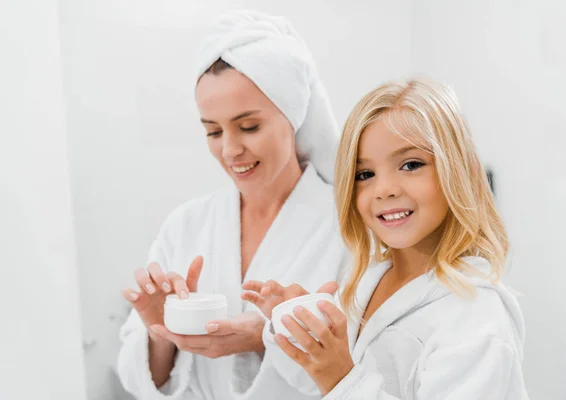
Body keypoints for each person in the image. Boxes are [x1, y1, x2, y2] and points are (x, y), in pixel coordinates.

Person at [245, 79, 530, 399]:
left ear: (456, 170)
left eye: (411, 165)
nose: (385, 189)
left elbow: (341, 383)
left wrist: (342, 379)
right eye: (365, 174)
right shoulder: (366, 281)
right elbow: (320, 387)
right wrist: (299, 329)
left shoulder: (476, 316)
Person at [117, 10, 348, 400]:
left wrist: (265, 337)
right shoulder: (187, 224)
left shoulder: (347, 227)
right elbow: (142, 378)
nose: (229, 150)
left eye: (249, 127)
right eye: (212, 130)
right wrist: (162, 333)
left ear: (293, 116)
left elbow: (370, 367)